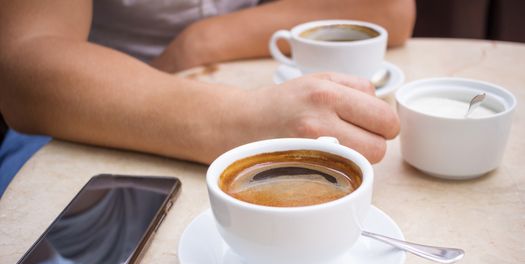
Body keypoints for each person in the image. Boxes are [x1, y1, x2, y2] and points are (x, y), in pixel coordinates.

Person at [0, 0, 416, 195]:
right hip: (79, 107)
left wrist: (204, 40)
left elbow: (391, 10)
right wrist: (239, 118)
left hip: (247, 87)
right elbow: (21, 68)